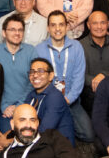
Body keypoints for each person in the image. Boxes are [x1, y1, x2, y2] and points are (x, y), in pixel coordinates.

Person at [36, 10, 93, 142]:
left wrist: (68, 99)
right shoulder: (39, 49)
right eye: (53, 25)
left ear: (67, 27)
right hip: (48, 102)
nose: (57, 29)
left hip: (70, 100)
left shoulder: (77, 47)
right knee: (46, 136)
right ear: (48, 28)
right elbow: (38, 80)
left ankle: (65, 126)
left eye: (61, 25)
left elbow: (79, 78)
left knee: (88, 135)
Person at [0, 14, 37, 133]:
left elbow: (33, 82)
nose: (17, 33)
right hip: (3, 108)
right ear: (3, 33)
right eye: (12, 29)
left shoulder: (31, 51)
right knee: (9, 138)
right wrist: (4, 107)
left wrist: (19, 105)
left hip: (26, 104)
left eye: (20, 30)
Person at [79, 11, 109, 116]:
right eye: (95, 23)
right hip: (89, 94)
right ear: (88, 25)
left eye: (102, 23)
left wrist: (104, 75)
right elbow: (79, 74)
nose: (99, 27)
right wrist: (95, 81)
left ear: (108, 24)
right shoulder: (79, 46)